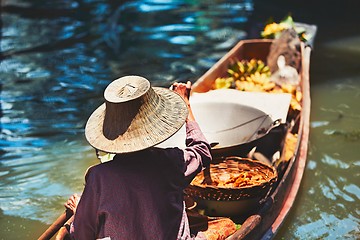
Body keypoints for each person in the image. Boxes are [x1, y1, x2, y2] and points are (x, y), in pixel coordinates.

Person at [58, 75, 212, 240]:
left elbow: (82, 235)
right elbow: (202, 150)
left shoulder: (98, 177)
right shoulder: (171, 161)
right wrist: (185, 103)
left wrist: (79, 211)